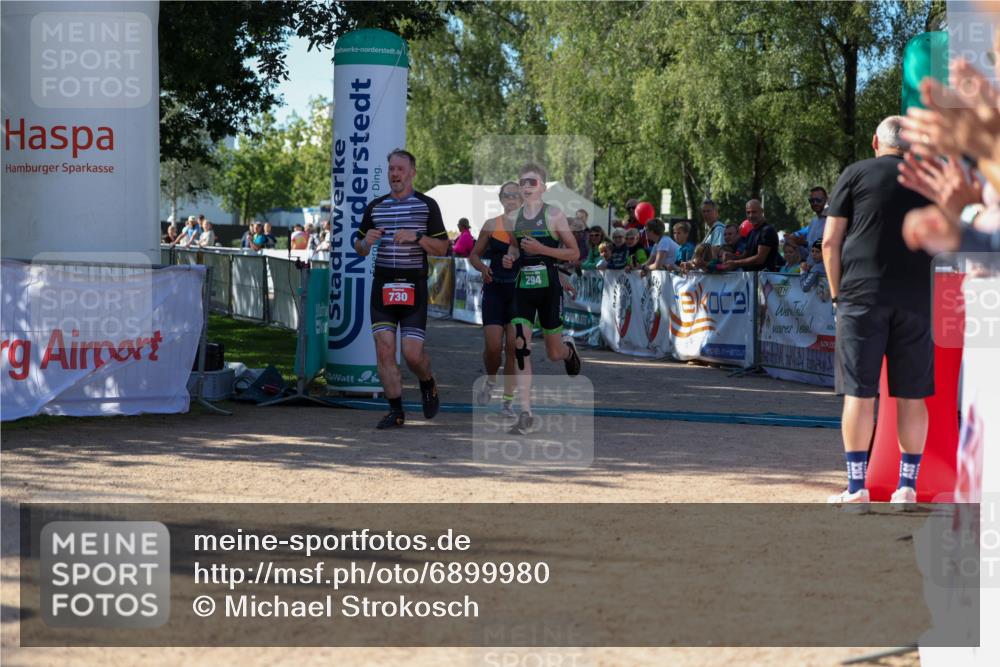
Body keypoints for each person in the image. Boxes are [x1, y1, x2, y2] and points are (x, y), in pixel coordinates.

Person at [823, 116, 934, 508]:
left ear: (875, 142)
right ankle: (907, 487)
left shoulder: (854, 174)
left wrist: (837, 298)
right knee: (911, 395)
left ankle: (857, 488)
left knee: (859, 394)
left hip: (860, 298)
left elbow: (829, 243)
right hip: (918, 300)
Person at [355, 149, 450, 429]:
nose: (394, 174)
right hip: (382, 285)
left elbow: (443, 248)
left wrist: (418, 237)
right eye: (391, 169)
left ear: (412, 172)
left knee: (411, 354)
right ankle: (396, 411)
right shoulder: (376, 207)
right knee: (384, 350)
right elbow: (358, 249)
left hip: (413, 286)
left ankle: (427, 381)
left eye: (400, 169)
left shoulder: (427, 205)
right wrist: (366, 242)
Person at [499, 162, 582, 435]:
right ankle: (526, 413)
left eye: (532, 182)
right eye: (523, 182)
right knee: (520, 347)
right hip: (523, 287)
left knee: (553, 352)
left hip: (549, 290)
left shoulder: (555, 215)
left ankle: (568, 350)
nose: (526, 187)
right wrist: (511, 256)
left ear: (543, 187)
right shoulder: (513, 218)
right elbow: (514, 245)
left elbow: (574, 253)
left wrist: (541, 248)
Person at [469, 181, 521, 418]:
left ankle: (507, 403)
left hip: (519, 292)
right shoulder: (491, 225)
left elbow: (529, 253)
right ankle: (491, 380)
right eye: (508, 196)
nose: (512, 199)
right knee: (492, 348)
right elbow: (474, 255)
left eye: (516, 196)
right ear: (501, 199)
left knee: (512, 348)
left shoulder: (530, 227)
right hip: (494, 289)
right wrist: (482, 268)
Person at [722, 200, 779, 271]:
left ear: (762, 211)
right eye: (748, 212)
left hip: (766, 279)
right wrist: (732, 256)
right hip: (752, 278)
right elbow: (745, 256)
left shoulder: (767, 230)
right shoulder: (751, 232)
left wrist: (735, 263)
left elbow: (760, 259)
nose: (751, 215)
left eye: (754, 212)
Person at [788, 187, 829, 260]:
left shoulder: (832, 220)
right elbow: (809, 254)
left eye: (818, 200)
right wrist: (797, 244)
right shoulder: (813, 222)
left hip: (824, 270)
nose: (815, 203)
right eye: (812, 200)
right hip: (810, 268)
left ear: (826, 200)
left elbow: (827, 248)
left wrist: (805, 243)